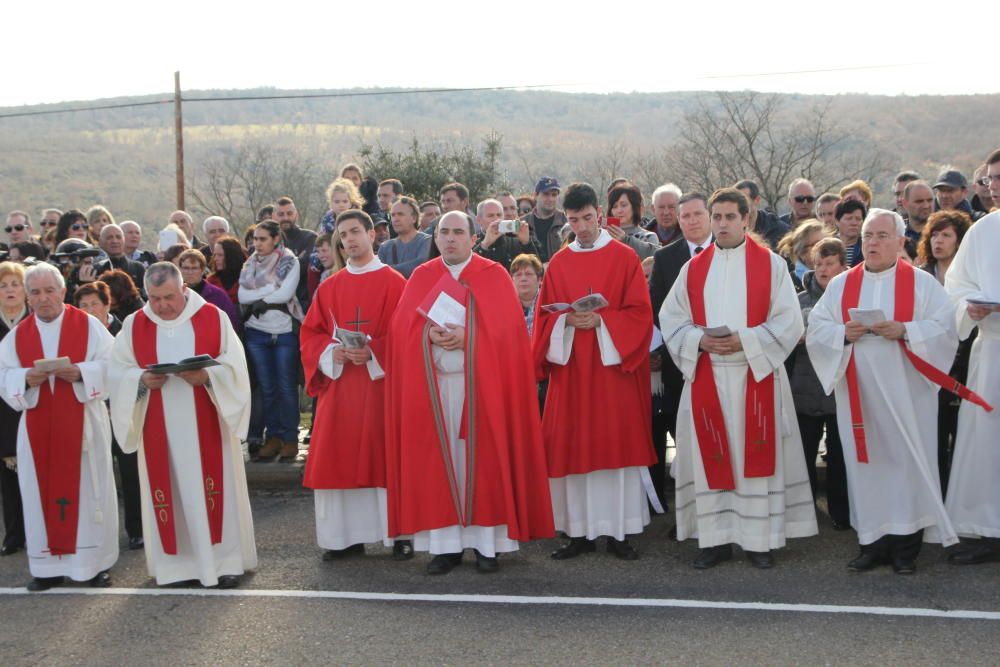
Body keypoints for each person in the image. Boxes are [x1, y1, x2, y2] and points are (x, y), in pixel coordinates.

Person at [806, 209, 984, 574]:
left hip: (908, 394)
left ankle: (905, 549)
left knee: (906, 466)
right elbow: (817, 329)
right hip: (859, 394)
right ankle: (871, 543)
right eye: (868, 235)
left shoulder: (921, 284)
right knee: (866, 466)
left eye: (882, 236)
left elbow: (945, 330)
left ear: (901, 242)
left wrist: (905, 330)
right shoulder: (842, 284)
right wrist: (843, 333)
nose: (872, 242)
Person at [384, 211, 554, 575]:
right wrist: (425, 336)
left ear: (474, 238)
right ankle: (445, 547)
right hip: (437, 387)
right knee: (440, 466)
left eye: (458, 232)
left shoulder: (492, 276)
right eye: (443, 232)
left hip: (483, 390)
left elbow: (510, 338)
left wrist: (470, 337)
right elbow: (400, 332)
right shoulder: (422, 276)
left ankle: (486, 545)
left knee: (485, 464)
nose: (450, 239)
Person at [661, 187, 817, 570]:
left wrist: (744, 341)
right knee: (712, 455)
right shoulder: (693, 269)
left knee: (754, 456)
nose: (723, 223)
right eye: (717, 217)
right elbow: (671, 321)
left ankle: (757, 541)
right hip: (708, 378)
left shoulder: (770, 265)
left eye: (731, 216)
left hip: (755, 376)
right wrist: (701, 341)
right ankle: (713, 541)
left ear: (746, 219)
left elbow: (789, 321)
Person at [109, 262, 256, 588]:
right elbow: (116, 373)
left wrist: (206, 376)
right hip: (158, 428)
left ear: (184, 289)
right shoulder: (135, 325)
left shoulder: (212, 318)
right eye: (155, 298)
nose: (162, 305)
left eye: (169, 297)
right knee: (170, 492)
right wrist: (143, 379)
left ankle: (224, 563)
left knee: (215, 491)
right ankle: (176, 568)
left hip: (208, 425)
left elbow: (236, 368)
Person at [533, 182, 657, 561]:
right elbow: (542, 322)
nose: (582, 227)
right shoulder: (559, 263)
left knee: (614, 448)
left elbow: (640, 316)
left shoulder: (623, 259)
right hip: (571, 374)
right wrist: (566, 324)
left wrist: (602, 324)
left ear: (599, 216)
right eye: (573, 220)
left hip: (611, 375)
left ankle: (619, 532)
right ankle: (577, 533)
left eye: (587, 218)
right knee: (572, 450)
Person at [0, 263, 118, 590]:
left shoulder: (88, 326)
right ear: (27, 296)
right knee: (39, 493)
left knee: (89, 492)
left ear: (63, 292)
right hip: (38, 429)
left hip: (83, 428)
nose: (43, 299)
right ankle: (46, 567)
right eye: (35, 292)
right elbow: (2, 374)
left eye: (49, 291)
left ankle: (93, 566)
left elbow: (114, 365)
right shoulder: (18, 336)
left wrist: (82, 372)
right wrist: (24, 377)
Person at [300, 210, 409, 561]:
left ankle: (399, 535)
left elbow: (407, 334)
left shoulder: (395, 283)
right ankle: (343, 538)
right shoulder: (329, 286)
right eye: (343, 235)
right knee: (339, 456)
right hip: (341, 387)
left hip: (380, 388)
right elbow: (311, 334)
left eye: (355, 232)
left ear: (372, 235)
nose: (349, 240)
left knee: (386, 455)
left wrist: (374, 352)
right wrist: (334, 352)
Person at [942, 150, 1000, 564]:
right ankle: (988, 528)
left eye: (999, 177)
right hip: (992, 352)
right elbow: (955, 287)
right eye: (991, 178)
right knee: (985, 443)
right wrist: (970, 308)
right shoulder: (984, 231)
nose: (994, 185)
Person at [648, 192, 714, 508]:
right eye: (685, 216)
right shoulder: (665, 258)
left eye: (697, 214)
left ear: (710, 216)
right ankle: (690, 515)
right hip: (681, 367)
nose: (691, 221)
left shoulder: (731, 253)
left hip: (727, 360)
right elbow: (657, 309)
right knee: (687, 445)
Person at [73, 281, 145, 550]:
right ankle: (98, 536)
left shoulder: (124, 332)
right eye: (83, 305)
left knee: (131, 474)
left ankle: (136, 530)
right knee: (95, 476)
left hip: (124, 413)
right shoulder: (77, 336)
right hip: (91, 414)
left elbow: (137, 372)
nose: (90, 310)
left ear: (107, 305)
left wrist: (124, 403)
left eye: (94, 304)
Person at [789, 238, 850, 530]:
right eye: (819, 264)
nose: (823, 270)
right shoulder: (798, 300)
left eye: (830, 263)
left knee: (840, 456)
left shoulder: (852, 296)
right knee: (803, 454)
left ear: (843, 266)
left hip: (840, 389)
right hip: (805, 388)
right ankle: (805, 511)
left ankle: (842, 513)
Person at [916, 211, 973, 496]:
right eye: (935, 234)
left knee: (962, 438)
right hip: (925, 372)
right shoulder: (919, 277)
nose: (939, 241)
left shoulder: (969, 279)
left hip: (962, 371)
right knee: (933, 439)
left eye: (947, 235)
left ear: (960, 241)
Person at [239, 220, 303, 462]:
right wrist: (269, 292)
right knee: (267, 388)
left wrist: (262, 301)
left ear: (276, 239)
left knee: (286, 387)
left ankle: (289, 438)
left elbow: (287, 294)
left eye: (262, 239)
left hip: (284, 331)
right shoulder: (250, 263)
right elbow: (242, 294)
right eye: (255, 239)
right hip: (257, 332)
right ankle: (273, 436)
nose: (257, 244)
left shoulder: (289, 261)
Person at [0, 262, 27, 557]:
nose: (9, 290)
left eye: (14, 284)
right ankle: (14, 534)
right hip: (2, 409)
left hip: (33, 404)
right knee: (8, 476)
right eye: (3, 285)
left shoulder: (36, 322)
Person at [177, 249, 240, 332]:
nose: (190, 272)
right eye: (186, 268)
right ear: (180, 269)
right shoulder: (174, 294)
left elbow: (231, 323)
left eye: (194, 268)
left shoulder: (218, 295)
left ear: (202, 270)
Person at [274, 196, 317, 311]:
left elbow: (304, 268)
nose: (285, 218)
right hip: (277, 305)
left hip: (303, 302)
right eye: (281, 214)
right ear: (274, 217)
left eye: (289, 213)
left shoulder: (310, 238)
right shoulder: (270, 242)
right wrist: (297, 260)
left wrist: (280, 265)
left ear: (296, 215)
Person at [472, 198, 541, 270]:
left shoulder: (515, 240)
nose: (496, 219)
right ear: (478, 220)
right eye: (491, 215)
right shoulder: (471, 242)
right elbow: (467, 268)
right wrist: (484, 245)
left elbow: (536, 269)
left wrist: (526, 243)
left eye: (499, 215)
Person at [377, 197, 432, 278]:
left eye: (400, 214)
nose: (396, 219)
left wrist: (386, 270)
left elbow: (419, 267)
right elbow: (379, 275)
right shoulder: (385, 247)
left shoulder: (427, 241)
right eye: (393, 215)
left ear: (414, 218)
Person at [607, 183, 660, 259]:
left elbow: (651, 260)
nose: (619, 210)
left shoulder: (648, 237)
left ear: (635, 206)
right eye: (614, 206)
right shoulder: (604, 235)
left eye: (624, 205)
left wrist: (625, 240)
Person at [734, 179, 789, 250]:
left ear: (757, 200)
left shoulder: (779, 231)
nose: (738, 205)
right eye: (735, 201)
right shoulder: (727, 230)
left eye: (743, 200)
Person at [522, 177, 567, 262]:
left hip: (559, 273)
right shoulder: (523, 223)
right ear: (535, 195)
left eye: (554, 195)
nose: (550, 199)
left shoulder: (566, 221)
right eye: (546, 194)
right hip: (531, 273)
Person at [776, 220, 827, 290]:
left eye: (826, 241)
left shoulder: (840, 272)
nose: (825, 247)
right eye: (818, 244)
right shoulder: (789, 284)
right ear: (802, 253)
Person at [94, 223, 146, 293]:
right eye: (109, 237)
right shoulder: (96, 269)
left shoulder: (138, 268)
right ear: (100, 241)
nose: (115, 241)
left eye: (118, 237)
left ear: (124, 240)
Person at [207, 236, 247, 306]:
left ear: (231, 256)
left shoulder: (249, 277)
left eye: (220, 255)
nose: (215, 259)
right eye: (214, 255)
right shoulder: (210, 282)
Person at [510, 253, 542, 335]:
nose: (523, 279)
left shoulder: (549, 302)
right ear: (512, 280)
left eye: (528, 274)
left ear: (539, 279)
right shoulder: (505, 306)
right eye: (518, 275)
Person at [834, 199, 866, 267]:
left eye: (858, 219)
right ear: (837, 221)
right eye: (849, 218)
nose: (854, 223)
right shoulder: (827, 245)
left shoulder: (867, 246)